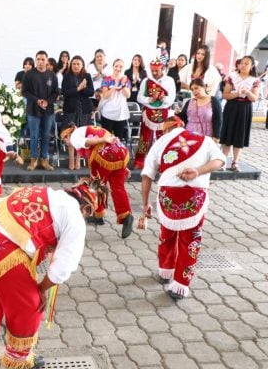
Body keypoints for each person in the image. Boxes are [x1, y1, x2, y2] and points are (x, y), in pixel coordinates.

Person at [0, 178, 105, 369]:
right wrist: (41, 288)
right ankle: (18, 356)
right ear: (86, 208)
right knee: (31, 306)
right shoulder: (75, 217)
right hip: (3, 256)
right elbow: (64, 266)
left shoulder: (40, 192)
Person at [141, 116, 225, 300]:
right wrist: (198, 171)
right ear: (182, 126)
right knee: (190, 241)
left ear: (166, 130)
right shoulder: (205, 140)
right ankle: (181, 284)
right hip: (195, 196)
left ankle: (165, 271)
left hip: (168, 196)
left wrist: (145, 204)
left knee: (167, 236)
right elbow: (220, 160)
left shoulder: (160, 142)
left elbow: (147, 175)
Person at [61, 123, 134, 237]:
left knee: (97, 187)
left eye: (64, 140)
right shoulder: (88, 128)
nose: (66, 143)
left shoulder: (75, 136)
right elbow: (112, 146)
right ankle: (126, 216)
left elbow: (87, 142)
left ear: (67, 135)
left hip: (101, 157)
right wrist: (124, 168)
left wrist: (103, 139)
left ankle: (98, 216)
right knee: (118, 188)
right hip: (121, 153)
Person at [219, 55, 259, 172]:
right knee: (227, 134)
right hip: (231, 107)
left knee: (239, 135)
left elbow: (254, 98)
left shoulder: (254, 80)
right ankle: (222, 161)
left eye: (247, 63)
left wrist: (247, 92)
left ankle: (235, 162)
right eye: (242, 63)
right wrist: (236, 94)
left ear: (252, 66)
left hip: (245, 109)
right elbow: (225, 95)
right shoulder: (232, 77)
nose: (243, 65)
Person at [134, 57, 176, 169]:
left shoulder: (169, 81)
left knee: (163, 138)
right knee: (144, 137)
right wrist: (150, 100)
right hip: (148, 112)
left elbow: (172, 98)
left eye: (156, 71)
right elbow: (139, 97)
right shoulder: (146, 81)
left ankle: (163, 160)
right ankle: (140, 160)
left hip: (164, 113)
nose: (154, 73)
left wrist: (163, 99)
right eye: (152, 71)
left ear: (162, 68)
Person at [22, 50, 59, 171]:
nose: (41, 61)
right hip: (33, 110)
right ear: (36, 60)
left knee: (45, 135)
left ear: (47, 60)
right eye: (38, 59)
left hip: (48, 110)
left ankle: (44, 160)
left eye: (43, 59)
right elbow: (24, 91)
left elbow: (55, 92)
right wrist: (37, 100)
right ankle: (33, 160)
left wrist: (47, 101)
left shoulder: (52, 75)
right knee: (34, 135)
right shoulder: (28, 74)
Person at [99, 59, 131, 141]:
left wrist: (123, 84)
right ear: (113, 67)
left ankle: (117, 153)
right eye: (116, 66)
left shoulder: (125, 80)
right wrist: (115, 85)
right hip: (107, 112)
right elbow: (105, 96)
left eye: (120, 66)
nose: (118, 68)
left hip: (120, 114)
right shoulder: (107, 79)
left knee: (118, 138)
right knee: (106, 138)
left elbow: (128, 95)